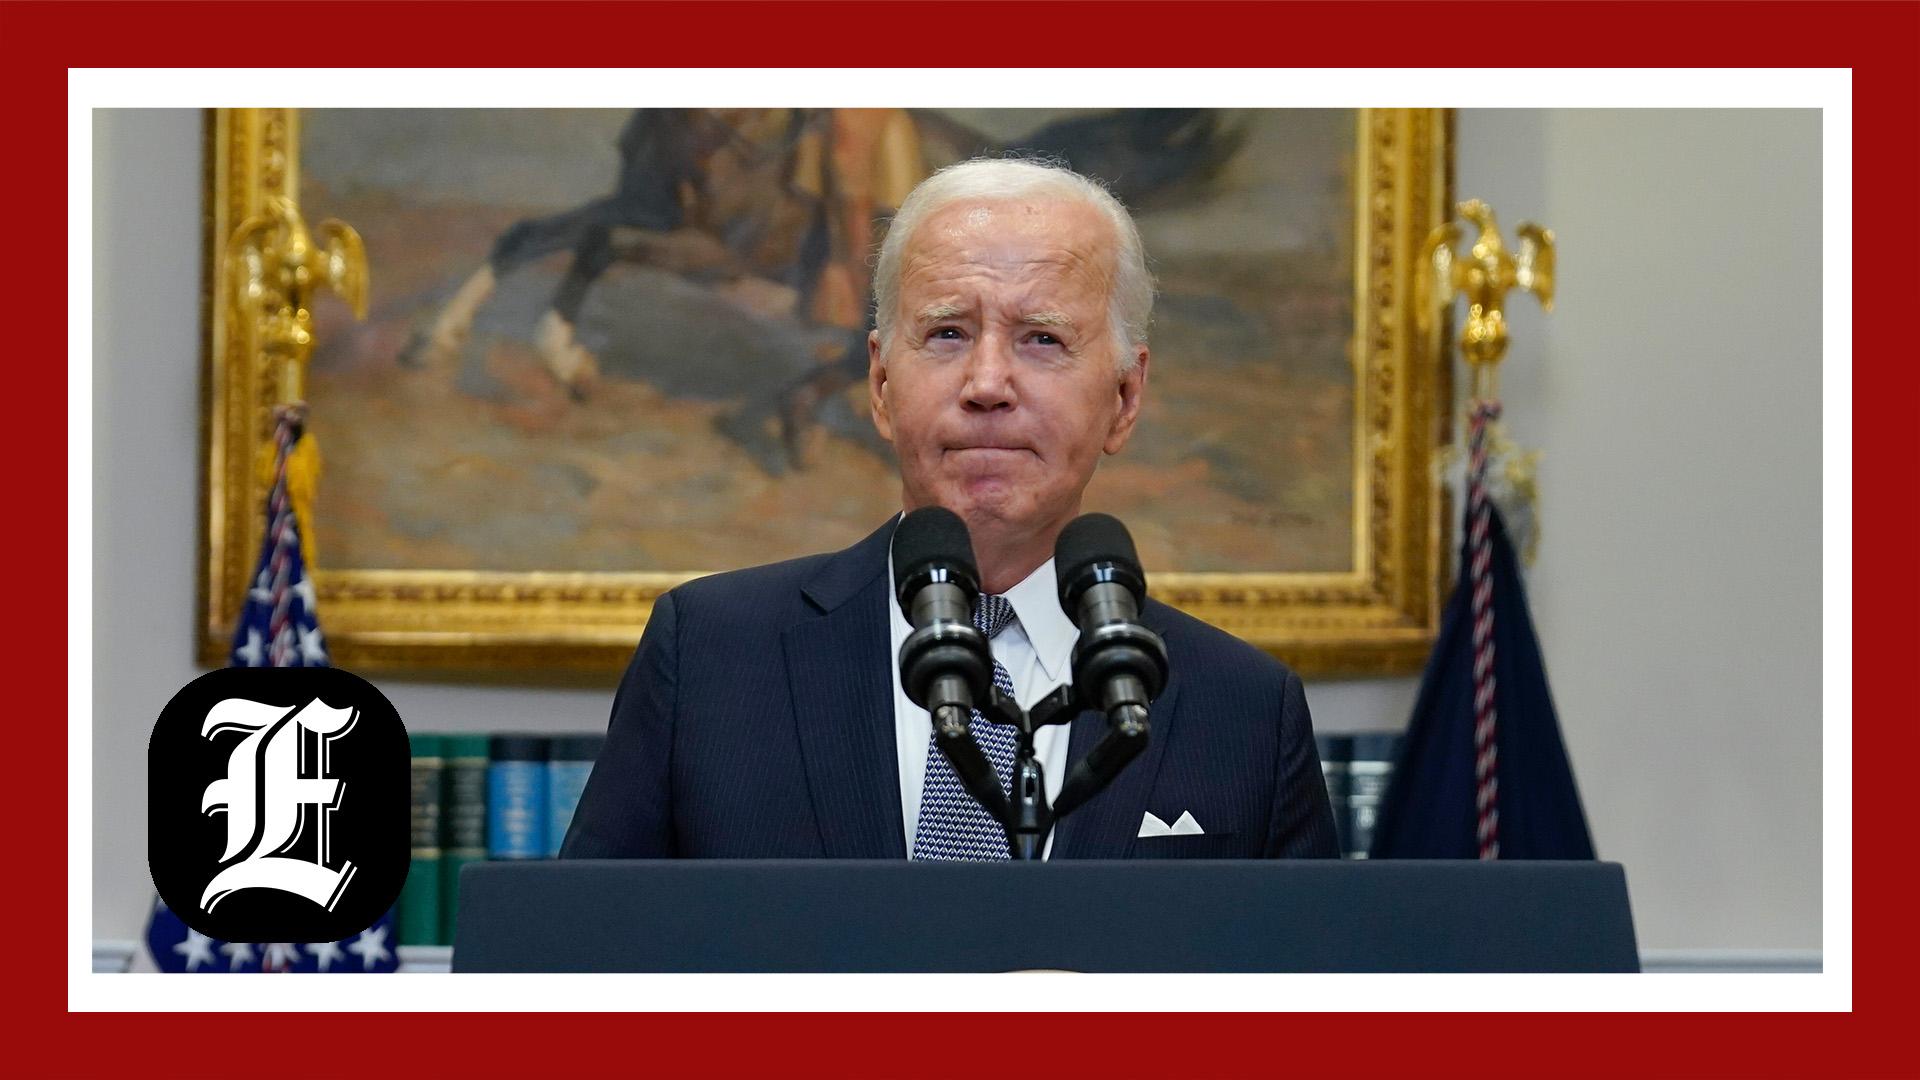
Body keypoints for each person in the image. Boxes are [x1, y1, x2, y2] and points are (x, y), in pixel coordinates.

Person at [560, 157, 1338, 861]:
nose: (987, 383)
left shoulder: (1243, 709)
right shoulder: (710, 655)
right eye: (947, 333)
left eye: (1042, 338)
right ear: (881, 386)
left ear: (1125, 398)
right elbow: (582, 954)